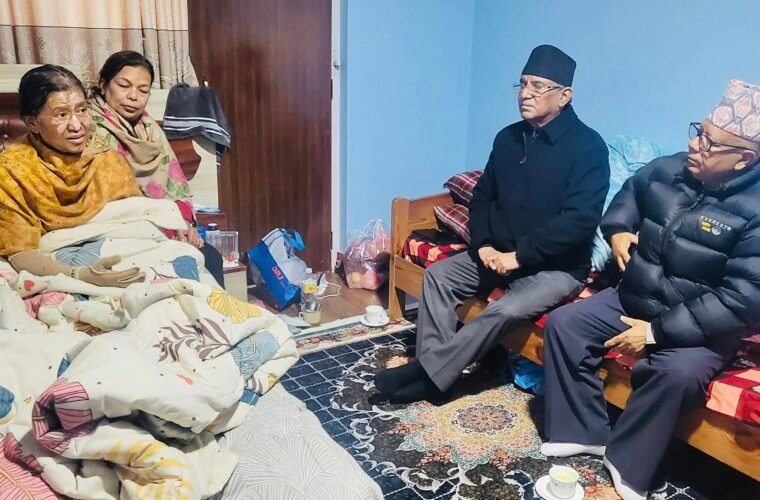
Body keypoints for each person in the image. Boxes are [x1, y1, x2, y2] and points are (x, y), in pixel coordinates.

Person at [540, 79, 760, 500]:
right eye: (699, 132)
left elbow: (743, 300)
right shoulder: (667, 169)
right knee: (565, 325)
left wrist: (656, 333)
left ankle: (627, 461)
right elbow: (628, 197)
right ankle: (583, 431)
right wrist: (619, 230)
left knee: (676, 375)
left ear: (744, 159)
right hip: (633, 296)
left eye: (710, 143)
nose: (695, 145)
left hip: (701, 330)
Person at [374, 45, 610, 403]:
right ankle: (436, 378)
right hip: (495, 254)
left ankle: (426, 374)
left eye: (538, 86)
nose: (526, 93)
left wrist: (519, 257)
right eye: (523, 84)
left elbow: (579, 222)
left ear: (564, 96)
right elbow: (482, 196)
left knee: (507, 308)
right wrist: (483, 244)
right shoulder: (508, 138)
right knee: (439, 277)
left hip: (555, 267)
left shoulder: (588, 148)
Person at [85, 50, 225, 287]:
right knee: (175, 262)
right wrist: (166, 228)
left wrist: (184, 224)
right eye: (124, 86)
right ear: (103, 84)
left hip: (163, 224)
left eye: (143, 90)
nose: (133, 97)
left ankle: (214, 311)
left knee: (209, 257)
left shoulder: (149, 129)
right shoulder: (89, 128)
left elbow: (173, 182)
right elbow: (109, 199)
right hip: (118, 230)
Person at [0, 64, 145, 287]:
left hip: (118, 253)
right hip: (54, 268)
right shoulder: (11, 170)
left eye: (82, 110)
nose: (77, 126)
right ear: (32, 123)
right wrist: (82, 276)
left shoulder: (105, 156)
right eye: (61, 115)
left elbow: (135, 221)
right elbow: (20, 253)